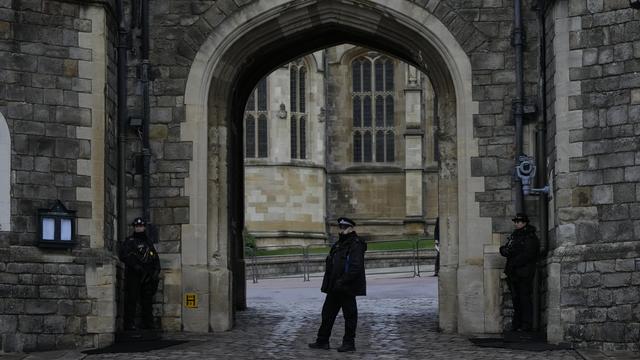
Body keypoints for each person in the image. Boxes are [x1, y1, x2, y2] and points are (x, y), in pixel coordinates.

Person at [308, 217, 367, 352]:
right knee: (327, 314)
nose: (341, 230)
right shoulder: (338, 244)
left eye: (344, 227)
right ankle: (322, 341)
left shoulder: (355, 244)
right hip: (335, 287)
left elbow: (355, 267)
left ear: (351, 228)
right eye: (340, 227)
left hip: (347, 287)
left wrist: (343, 281)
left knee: (350, 316)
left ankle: (349, 343)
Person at [499, 213, 539, 332]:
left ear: (525, 222)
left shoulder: (529, 236)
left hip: (524, 272)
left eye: (519, 221)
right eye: (516, 221)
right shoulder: (514, 236)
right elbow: (506, 249)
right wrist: (505, 250)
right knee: (516, 299)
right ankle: (517, 323)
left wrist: (514, 259)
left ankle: (526, 324)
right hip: (514, 272)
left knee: (524, 298)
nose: (517, 223)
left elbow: (528, 254)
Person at [119, 217, 161, 331]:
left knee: (147, 301)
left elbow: (154, 257)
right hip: (134, 275)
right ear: (134, 227)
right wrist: (135, 266)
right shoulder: (129, 241)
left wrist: (156, 270)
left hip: (147, 275)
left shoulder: (148, 242)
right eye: (137, 226)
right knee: (131, 299)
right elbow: (123, 255)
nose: (139, 228)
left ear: (144, 227)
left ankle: (148, 323)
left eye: (141, 226)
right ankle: (129, 324)